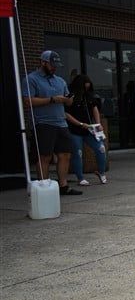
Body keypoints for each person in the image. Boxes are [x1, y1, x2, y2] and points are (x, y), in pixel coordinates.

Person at [21, 50, 81, 196]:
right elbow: (28, 101)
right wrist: (52, 99)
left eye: (56, 65)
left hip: (61, 123)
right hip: (43, 123)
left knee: (65, 155)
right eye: (52, 65)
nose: (55, 68)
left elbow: (68, 101)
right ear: (43, 62)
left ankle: (63, 186)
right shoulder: (31, 79)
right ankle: (44, 187)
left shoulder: (59, 80)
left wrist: (68, 99)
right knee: (45, 156)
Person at [65, 74, 108, 186]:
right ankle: (80, 178)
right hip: (75, 129)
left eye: (88, 87)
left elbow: (95, 109)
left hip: (89, 129)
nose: (87, 89)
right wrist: (80, 124)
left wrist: (98, 123)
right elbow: (66, 114)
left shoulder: (89, 96)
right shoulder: (71, 96)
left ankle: (101, 172)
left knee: (101, 148)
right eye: (85, 87)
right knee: (78, 153)